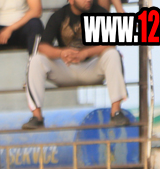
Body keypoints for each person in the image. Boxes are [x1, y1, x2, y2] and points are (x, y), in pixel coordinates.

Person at [23, 0, 127, 129]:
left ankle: (116, 112)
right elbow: (42, 47)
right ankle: (36, 116)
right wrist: (61, 53)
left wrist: (85, 53)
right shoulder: (59, 15)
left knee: (113, 54)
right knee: (36, 59)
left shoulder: (100, 12)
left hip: (92, 68)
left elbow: (111, 43)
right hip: (66, 68)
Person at [0, 0, 42, 91]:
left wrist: (10, 29)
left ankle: (32, 77)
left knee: (36, 24)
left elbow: (36, 11)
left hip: (21, 28)